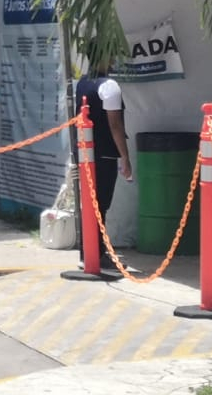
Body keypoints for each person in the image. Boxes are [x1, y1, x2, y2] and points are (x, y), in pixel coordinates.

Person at [74, 58, 133, 269]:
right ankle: (97, 254)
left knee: (91, 203)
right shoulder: (109, 86)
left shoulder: (82, 82)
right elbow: (115, 124)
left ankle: (88, 251)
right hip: (104, 153)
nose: (114, 60)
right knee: (101, 204)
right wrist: (125, 157)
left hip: (85, 153)